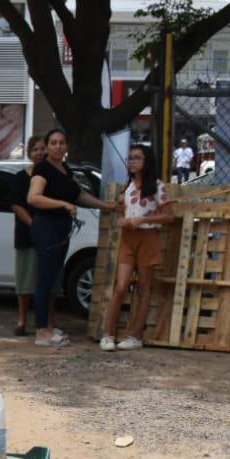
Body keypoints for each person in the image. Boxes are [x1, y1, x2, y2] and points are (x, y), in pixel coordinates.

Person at [26, 128, 117, 348]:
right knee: (44, 281)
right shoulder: (43, 170)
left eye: (61, 143)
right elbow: (33, 198)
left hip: (61, 229)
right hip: (47, 228)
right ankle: (41, 332)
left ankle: (47, 327)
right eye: (53, 143)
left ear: (66, 147)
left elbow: (80, 195)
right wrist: (63, 205)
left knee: (52, 280)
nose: (58, 146)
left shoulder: (64, 169)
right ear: (47, 147)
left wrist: (107, 205)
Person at [100, 144, 174, 351]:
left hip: (148, 238)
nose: (132, 161)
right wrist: (123, 218)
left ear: (146, 161)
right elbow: (123, 212)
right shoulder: (128, 186)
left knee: (144, 287)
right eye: (131, 158)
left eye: (137, 158)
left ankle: (135, 336)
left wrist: (142, 219)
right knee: (121, 286)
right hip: (128, 239)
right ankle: (108, 334)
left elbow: (170, 215)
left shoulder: (158, 186)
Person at [9, 135, 45, 336]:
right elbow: (16, 204)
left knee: (49, 281)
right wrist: (33, 223)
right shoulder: (20, 177)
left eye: (42, 149)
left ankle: (47, 321)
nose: (39, 153)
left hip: (49, 236)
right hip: (27, 234)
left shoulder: (52, 175)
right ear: (29, 153)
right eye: (35, 149)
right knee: (25, 281)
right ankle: (22, 319)